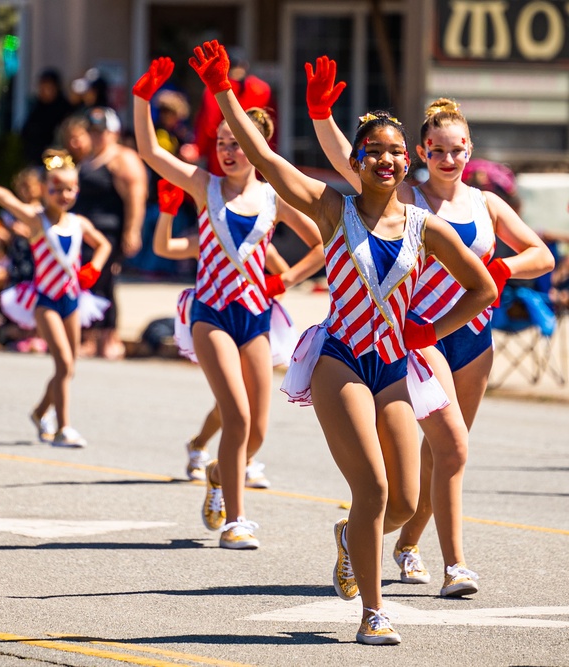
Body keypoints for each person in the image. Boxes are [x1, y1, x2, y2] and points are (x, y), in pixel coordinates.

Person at [190, 41, 495, 644]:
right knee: (374, 489)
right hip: (341, 360)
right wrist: (224, 91)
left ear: (407, 164)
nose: (385, 160)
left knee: (406, 503)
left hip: (396, 367)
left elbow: (482, 288)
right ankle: (372, 613)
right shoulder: (334, 209)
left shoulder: (422, 226)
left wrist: (432, 329)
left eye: (395, 152)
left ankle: (349, 540)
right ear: (356, 162)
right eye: (374, 151)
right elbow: (266, 158)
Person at [306, 57, 554, 598]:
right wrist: (322, 114)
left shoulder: (487, 204)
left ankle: (403, 543)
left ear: (470, 150)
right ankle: (456, 565)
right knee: (455, 448)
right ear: (422, 153)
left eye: (457, 148)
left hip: (475, 338)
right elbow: (350, 164)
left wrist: (504, 267)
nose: (447, 158)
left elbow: (542, 255)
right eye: (436, 150)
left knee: (440, 454)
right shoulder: (408, 200)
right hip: (422, 335)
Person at [133, 58, 323, 549]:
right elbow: (150, 152)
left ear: (258, 148)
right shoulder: (204, 185)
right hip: (211, 313)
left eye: (236, 143)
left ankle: (220, 472)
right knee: (235, 415)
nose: (227, 151)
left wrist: (289, 280)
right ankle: (237, 520)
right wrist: (142, 99)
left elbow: (324, 243)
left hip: (256, 317)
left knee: (257, 428)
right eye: (221, 143)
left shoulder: (274, 197)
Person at [153, 178, 297, 486]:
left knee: (240, 406)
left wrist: (273, 290)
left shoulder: (257, 241)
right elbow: (163, 247)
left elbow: (282, 273)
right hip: (215, 319)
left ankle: (231, 455)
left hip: (252, 321)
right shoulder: (207, 237)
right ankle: (206, 450)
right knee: (233, 405)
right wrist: (168, 211)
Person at [0, 150, 112, 447]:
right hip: (45, 301)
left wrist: (94, 266)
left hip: (72, 300)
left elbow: (104, 245)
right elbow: (9, 201)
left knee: (69, 366)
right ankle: (64, 427)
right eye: (55, 188)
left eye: (69, 188)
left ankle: (39, 412)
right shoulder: (36, 222)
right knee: (62, 363)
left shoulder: (79, 223)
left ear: (77, 190)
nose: (63, 194)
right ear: (45, 189)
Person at [72, 107, 148, 359]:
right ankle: (92, 336)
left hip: (109, 232)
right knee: (92, 283)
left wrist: (132, 230)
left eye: (100, 131)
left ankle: (108, 337)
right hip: (86, 233)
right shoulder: (90, 158)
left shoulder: (121, 158)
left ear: (113, 132)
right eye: (92, 131)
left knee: (103, 281)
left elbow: (136, 195)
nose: (96, 136)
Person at [192, 47, 273, 176]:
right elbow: (205, 123)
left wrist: (269, 153)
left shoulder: (260, 89)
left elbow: (208, 124)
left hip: (246, 151)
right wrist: (198, 149)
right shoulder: (261, 88)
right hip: (235, 153)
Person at [21, 68, 74, 166]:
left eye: (48, 88)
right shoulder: (37, 108)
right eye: (42, 87)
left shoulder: (64, 110)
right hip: (34, 160)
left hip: (56, 162)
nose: (44, 91)